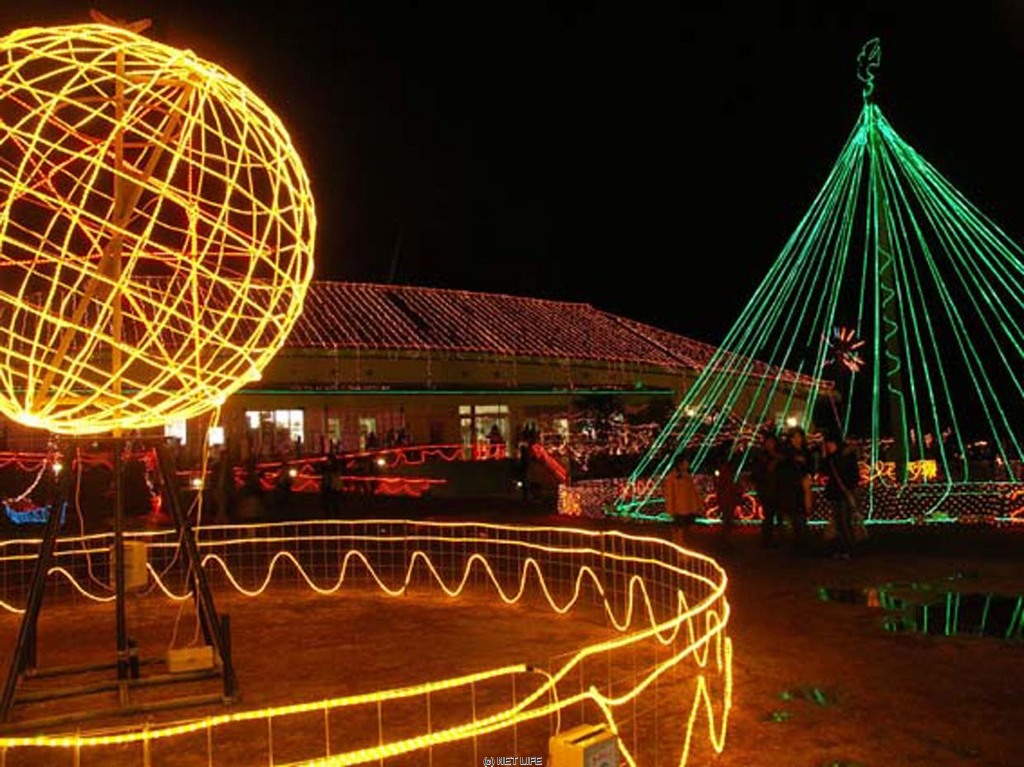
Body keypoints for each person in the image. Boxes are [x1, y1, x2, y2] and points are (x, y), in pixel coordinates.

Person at [822, 433, 861, 559]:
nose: (828, 446)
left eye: (831, 443)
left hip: (844, 493)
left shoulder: (846, 456)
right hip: (835, 493)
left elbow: (854, 476)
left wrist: (850, 489)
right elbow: (824, 471)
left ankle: (850, 549)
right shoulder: (831, 458)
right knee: (839, 523)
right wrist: (825, 456)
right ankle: (843, 548)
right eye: (827, 444)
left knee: (844, 522)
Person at [778, 426, 813, 554]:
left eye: (800, 436)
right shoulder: (787, 453)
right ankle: (799, 544)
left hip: (804, 487)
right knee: (796, 517)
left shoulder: (806, 452)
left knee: (803, 515)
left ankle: (803, 544)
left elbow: (810, 468)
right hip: (792, 489)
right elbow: (783, 470)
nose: (798, 439)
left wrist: (808, 476)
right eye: (795, 437)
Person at [663, 455, 704, 546]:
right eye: (686, 462)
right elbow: (670, 494)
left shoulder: (687, 476)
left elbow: (693, 492)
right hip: (679, 507)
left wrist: (698, 505)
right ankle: (679, 543)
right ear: (680, 464)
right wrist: (670, 508)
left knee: (685, 527)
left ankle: (681, 543)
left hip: (689, 506)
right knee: (680, 527)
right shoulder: (672, 477)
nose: (688, 464)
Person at [750, 432, 783, 547]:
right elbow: (758, 473)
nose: (770, 444)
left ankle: (779, 539)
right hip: (767, 491)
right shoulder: (761, 456)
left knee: (779, 517)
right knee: (768, 517)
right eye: (768, 442)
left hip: (779, 490)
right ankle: (767, 540)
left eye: (772, 442)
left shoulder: (779, 456)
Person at [713, 451, 741, 540]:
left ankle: (726, 535)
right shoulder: (729, 472)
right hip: (728, 496)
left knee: (727, 516)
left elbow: (718, 485)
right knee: (728, 516)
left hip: (725, 496)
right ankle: (726, 535)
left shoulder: (722, 472)